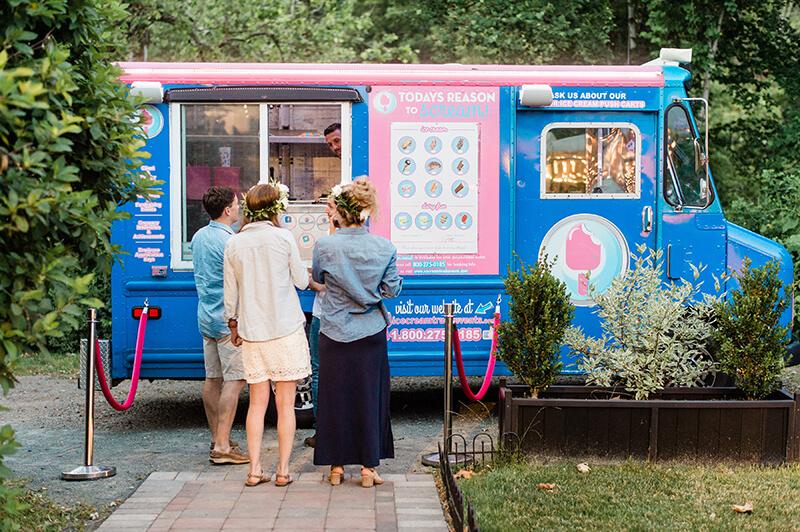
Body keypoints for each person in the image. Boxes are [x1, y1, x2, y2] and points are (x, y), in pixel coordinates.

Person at [312, 176, 402, 488]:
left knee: (334, 399)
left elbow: (319, 277)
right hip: (370, 332)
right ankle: (367, 468)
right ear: (365, 212)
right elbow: (391, 290)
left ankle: (336, 467)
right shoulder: (385, 247)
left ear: (340, 211)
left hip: (334, 331)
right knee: (369, 398)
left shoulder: (325, 246)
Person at [223, 182, 311, 487]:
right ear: (276, 209)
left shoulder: (234, 243)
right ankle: (283, 470)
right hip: (285, 329)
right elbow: (301, 282)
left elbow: (230, 294)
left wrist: (233, 325)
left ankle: (255, 469)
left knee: (257, 403)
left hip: (253, 332)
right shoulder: (283, 238)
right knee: (286, 405)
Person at [191, 186, 249, 465]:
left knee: (212, 379)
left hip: (205, 316)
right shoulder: (230, 241)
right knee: (235, 380)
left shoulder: (198, 236)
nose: (239, 208)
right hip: (228, 320)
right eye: (236, 204)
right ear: (227, 210)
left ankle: (217, 438)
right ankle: (224, 446)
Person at [305, 121, 343, 449]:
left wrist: (312, 283)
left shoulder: (327, 244)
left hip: (324, 314)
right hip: (351, 316)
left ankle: (324, 431)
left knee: (319, 371)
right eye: (330, 144)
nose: (335, 148)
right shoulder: (366, 242)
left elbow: (320, 278)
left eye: (328, 207)